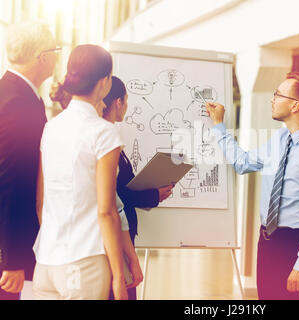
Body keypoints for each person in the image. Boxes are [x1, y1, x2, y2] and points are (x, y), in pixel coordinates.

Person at [206, 72, 299, 300]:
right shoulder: (280, 139)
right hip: (268, 241)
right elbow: (242, 163)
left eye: (278, 94)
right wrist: (219, 126)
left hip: (296, 243)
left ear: (295, 105)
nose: (272, 99)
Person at [32, 44, 127, 300]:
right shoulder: (104, 132)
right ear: (104, 82)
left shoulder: (51, 128)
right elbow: (107, 212)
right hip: (84, 263)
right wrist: (119, 276)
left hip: (46, 261)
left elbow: (41, 202)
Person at [0, 21, 58, 300]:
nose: (58, 56)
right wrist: (11, 259)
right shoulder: (16, 102)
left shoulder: (17, 94)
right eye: (56, 49)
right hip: (10, 251)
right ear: (43, 57)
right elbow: (9, 181)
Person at [102, 76, 174, 299]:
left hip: (120, 235)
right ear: (117, 103)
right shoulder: (106, 139)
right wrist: (152, 195)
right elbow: (116, 197)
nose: (127, 106)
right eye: (126, 100)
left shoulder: (110, 137)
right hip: (115, 238)